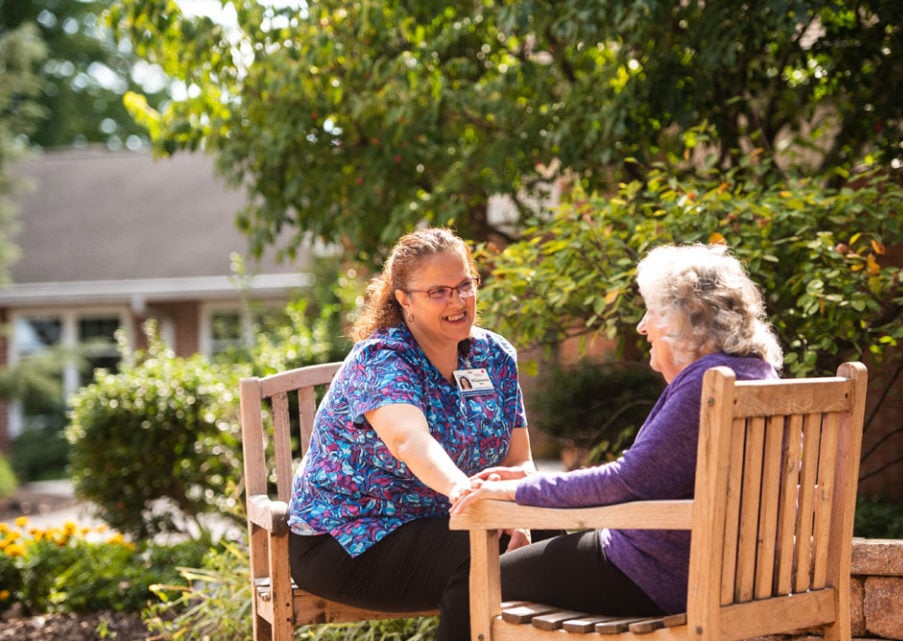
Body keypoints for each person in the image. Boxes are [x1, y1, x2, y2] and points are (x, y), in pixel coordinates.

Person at [451, 242, 784, 622]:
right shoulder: (759, 375)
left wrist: (512, 490)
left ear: (685, 321)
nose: (642, 326)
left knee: (470, 585)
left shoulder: (706, 386)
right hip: (736, 575)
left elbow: (626, 482)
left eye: (653, 313)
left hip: (661, 575)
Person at [287, 227, 536, 641]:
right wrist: (465, 493)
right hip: (351, 539)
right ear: (404, 298)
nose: (457, 301)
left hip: (448, 525)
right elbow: (409, 441)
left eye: (464, 285)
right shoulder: (383, 358)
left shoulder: (494, 356)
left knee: (553, 541)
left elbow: (519, 461)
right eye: (438, 292)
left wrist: (520, 510)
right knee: (481, 554)